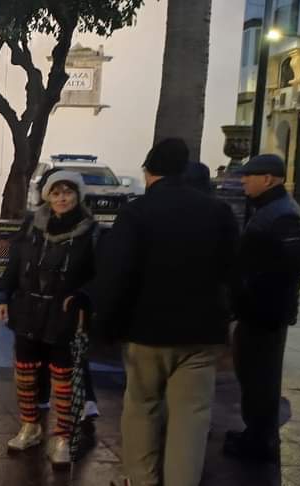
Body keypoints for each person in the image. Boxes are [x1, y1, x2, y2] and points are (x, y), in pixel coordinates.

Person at [72, 138, 238, 486]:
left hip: (146, 332)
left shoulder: (137, 213)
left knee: (142, 409)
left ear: (149, 172)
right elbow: (233, 272)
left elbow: (116, 272)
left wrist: (104, 326)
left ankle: (142, 480)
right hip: (201, 335)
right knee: (192, 418)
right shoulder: (218, 212)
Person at [0, 170, 98, 466]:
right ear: (47, 196)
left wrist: (84, 297)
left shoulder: (89, 231)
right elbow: (13, 265)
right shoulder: (32, 225)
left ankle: (63, 435)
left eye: (68, 192)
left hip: (63, 314)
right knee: (25, 373)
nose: (62, 198)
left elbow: (98, 275)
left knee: (63, 378)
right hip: (27, 310)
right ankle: (30, 425)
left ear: (77, 195)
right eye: (56, 192)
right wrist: (3, 296)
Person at [224, 154, 300, 464]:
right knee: (252, 374)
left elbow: (292, 265)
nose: (243, 180)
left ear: (269, 179)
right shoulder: (269, 209)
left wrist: (254, 292)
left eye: (250, 175)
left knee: (261, 377)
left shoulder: (282, 215)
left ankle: (261, 440)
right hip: (257, 311)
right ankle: (255, 434)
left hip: (266, 314)